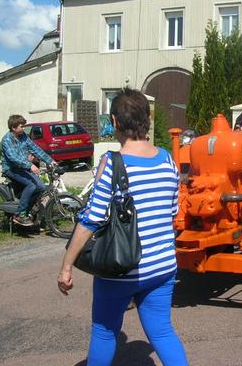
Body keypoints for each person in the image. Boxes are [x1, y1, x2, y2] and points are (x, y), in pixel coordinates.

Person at [58, 88, 188, 366]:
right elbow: (173, 211)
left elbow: (91, 219)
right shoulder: (168, 160)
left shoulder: (112, 164)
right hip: (163, 266)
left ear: (115, 122)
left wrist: (67, 264)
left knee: (104, 331)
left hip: (121, 268)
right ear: (147, 120)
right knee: (163, 332)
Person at [0, 114, 56, 226]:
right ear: (13, 127)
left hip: (22, 167)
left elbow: (35, 149)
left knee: (41, 187)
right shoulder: (7, 140)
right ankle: (19, 214)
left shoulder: (24, 136)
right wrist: (30, 165)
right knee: (31, 185)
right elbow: (13, 158)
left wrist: (50, 160)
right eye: (22, 126)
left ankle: (25, 205)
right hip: (11, 168)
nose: (24, 128)